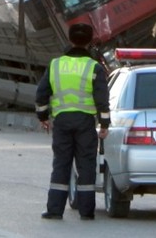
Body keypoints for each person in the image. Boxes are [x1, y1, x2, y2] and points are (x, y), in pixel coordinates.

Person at [35, 23, 110, 220]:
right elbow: (102, 98)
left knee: (61, 163)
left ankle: (54, 209)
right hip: (85, 121)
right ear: (89, 41)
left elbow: (41, 94)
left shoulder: (55, 64)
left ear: (70, 40)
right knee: (86, 164)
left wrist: (43, 118)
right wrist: (104, 125)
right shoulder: (94, 67)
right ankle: (86, 211)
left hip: (61, 121)